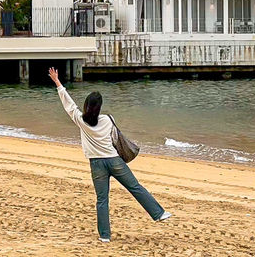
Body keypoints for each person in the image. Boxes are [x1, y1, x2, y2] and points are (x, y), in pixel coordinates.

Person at [48, 67, 171, 243]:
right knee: (135, 187)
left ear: (87, 106)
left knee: (102, 200)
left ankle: (104, 236)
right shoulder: (108, 119)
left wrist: (58, 82)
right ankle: (159, 214)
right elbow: (114, 137)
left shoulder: (80, 120)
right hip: (114, 161)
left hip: (96, 164)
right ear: (99, 108)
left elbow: (68, 104)